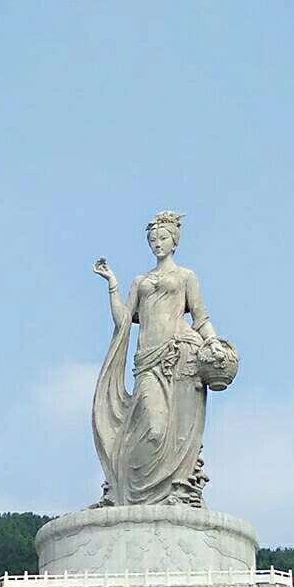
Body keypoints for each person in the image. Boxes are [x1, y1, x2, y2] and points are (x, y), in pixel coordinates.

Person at [92, 212, 220, 507]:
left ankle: (177, 489)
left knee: (179, 431)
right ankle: (136, 491)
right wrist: (112, 284)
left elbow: (201, 318)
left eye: (162, 239)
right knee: (153, 427)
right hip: (148, 360)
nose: (157, 244)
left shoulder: (186, 277)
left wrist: (213, 342)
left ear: (174, 242)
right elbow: (124, 320)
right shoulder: (141, 281)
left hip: (181, 354)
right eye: (152, 240)